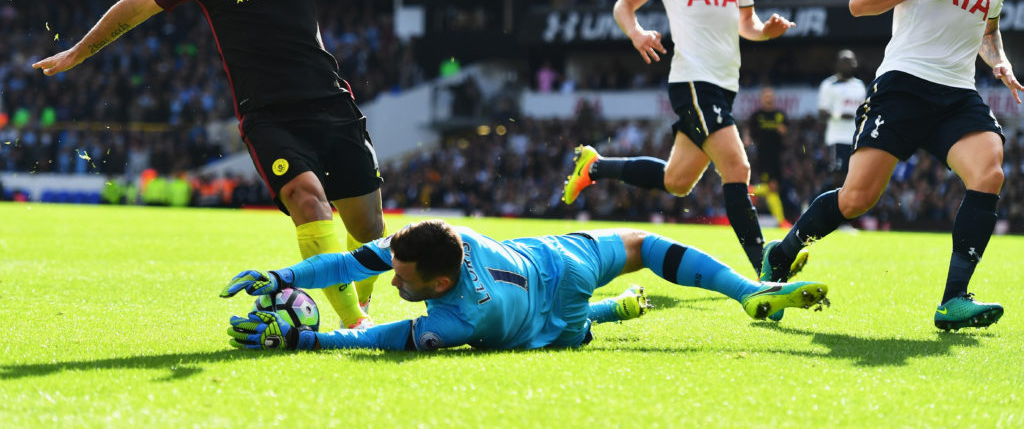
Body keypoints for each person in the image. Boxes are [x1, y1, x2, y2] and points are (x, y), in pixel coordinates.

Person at [33, 0, 411, 330]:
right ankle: (355, 325)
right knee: (307, 199)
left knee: (369, 229)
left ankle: (361, 307)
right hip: (270, 118)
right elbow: (137, 5)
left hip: (334, 109)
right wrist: (79, 51)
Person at [761, 0, 1021, 331]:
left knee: (989, 170)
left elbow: (989, 31)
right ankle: (781, 254)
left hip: (958, 93)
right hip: (903, 85)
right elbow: (860, 2)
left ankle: (954, 299)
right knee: (857, 198)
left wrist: (999, 61)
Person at [562, 0, 803, 277]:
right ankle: (767, 266)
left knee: (677, 181)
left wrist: (767, 31)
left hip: (725, 85)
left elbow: (748, 25)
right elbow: (624, 6)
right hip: (692, 80)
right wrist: (637, 33)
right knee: (737, 168)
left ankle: (596, 167)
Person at [221, 219, 830, 351]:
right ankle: (748, 291)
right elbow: (353, 263)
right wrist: (284, 277)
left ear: (439, 283)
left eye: (402, 278)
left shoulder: (462, 319)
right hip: (562, 255)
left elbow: (386, 337)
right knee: (645, 245)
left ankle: (606, 315)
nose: (392, 276)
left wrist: (312, 342)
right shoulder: (443, 239)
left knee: (574, 334)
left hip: (555, 308)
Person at [816, 50, 866, 192]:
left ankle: (850, 211)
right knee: (838, 176)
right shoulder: (829, 85)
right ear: (837, 64)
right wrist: (839, 115)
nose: (847, 65)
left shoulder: (860, 86)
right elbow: (821, 114)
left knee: (855, 177)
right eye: (843, 61)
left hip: (856, 138)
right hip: (838, 138)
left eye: (849, 61)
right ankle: (835, 209)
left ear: (854, 64)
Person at [746, 87, 791, 227]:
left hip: (777, 156)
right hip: (763, 155)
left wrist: (784, 131)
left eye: (770, 96)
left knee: (774, 188)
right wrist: (746, 138)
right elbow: (748, 130)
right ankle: (781, 221)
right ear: (762, 99)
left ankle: (753, 190)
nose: (768, 98)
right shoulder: (757, 115)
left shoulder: (780, 115)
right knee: (772, 187)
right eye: (766, 96)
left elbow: (787, 131)